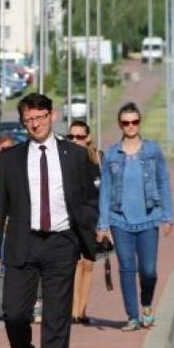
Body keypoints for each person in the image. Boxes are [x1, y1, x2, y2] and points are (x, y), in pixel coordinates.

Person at [0, 93, 98, 348]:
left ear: (52, 116)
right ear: (23, 123)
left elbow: (89, 197)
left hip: (62, 243)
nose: (35, 124)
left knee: (56, 316)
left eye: (40, 117)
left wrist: (84, 233)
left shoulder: (75, 155)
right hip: (24, 242)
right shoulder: (11, 158)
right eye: (28, 120)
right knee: (14, 314)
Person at [95, 102, 174, 332]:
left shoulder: (152, 150)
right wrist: (103, 224)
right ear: (120, 124)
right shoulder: (111, 154)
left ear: (139, 123)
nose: (130, 126)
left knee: (148, 270)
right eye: (126, 122)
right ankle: (132, 316)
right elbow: (106, 191)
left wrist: (168, 216)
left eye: (135, 121)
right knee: (127, 268)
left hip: (149, 219)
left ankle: (146, 304)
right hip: (120, 221)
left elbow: (163, 182)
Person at [67, 120, 101, 325]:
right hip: (70, 218)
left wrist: (105, 223)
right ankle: (72, 310)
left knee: (88, 263)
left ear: (87, 138)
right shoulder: (64, 159)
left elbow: (106, 192)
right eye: (71, 136)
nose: (75, 140)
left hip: (91, 217)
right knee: (74, 263)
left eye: (79, 136)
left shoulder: (97, 158)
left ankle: (82, 310)